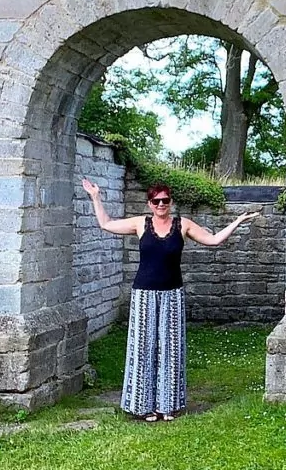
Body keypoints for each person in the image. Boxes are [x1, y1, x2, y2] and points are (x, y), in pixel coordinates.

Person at [81, 178, 259, 422]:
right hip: (143, 295)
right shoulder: (140, 223)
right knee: (143, 349)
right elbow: (106, 223)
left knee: (170, 350)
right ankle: (142, 406)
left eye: (165, 200)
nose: (161, 204)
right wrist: (95, 196)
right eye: (157, 201)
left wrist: (237, 221)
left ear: (171, 202)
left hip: (172, 295)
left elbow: (214, 239)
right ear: (150, 203)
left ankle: (167, 406)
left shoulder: (182, 225)